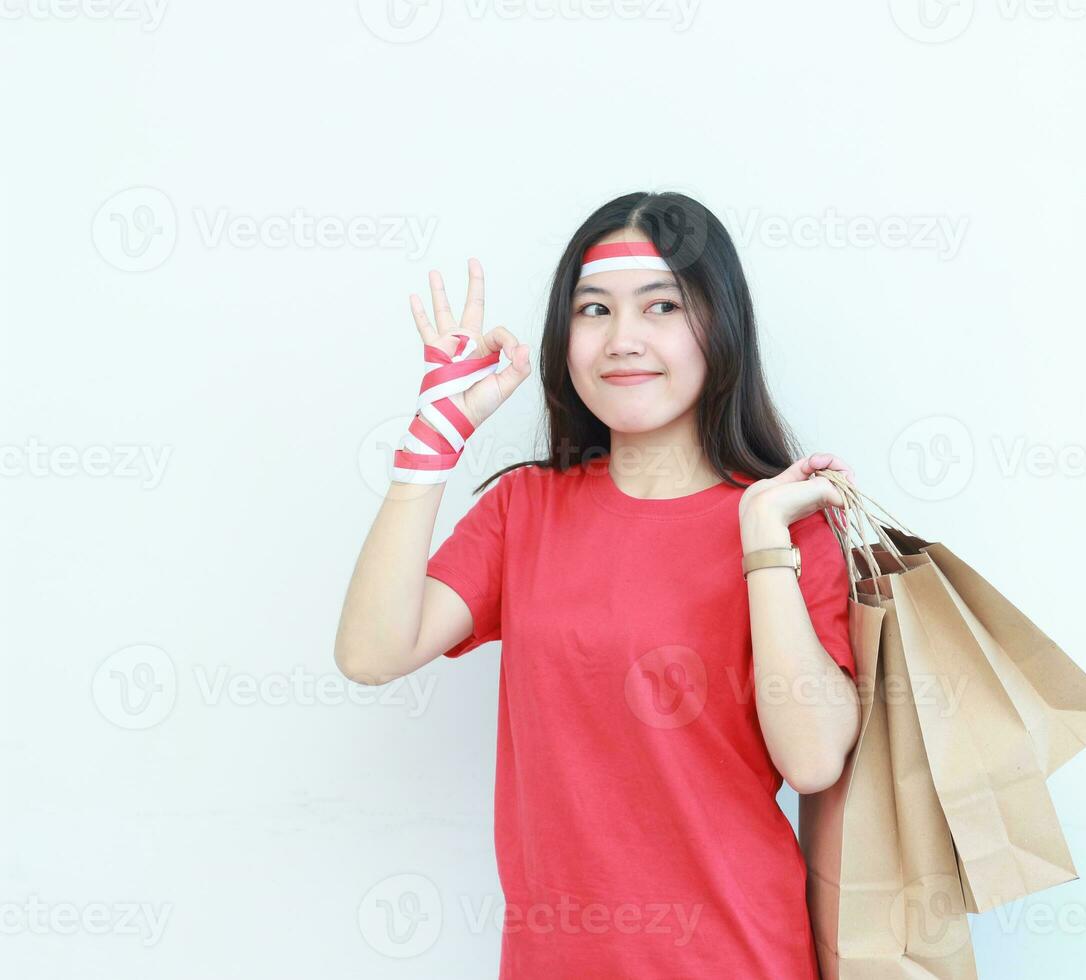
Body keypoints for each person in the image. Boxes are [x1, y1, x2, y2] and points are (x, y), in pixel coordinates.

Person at [334, 191, 861, 977]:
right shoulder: (526, 511)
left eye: (662, 307)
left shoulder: (787, 525)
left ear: (720, 328)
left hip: (738, 958)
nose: (624, 339)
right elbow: (372, 653)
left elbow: (815, 761)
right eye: (593, 309)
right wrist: (431, 446)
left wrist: (761, 542)